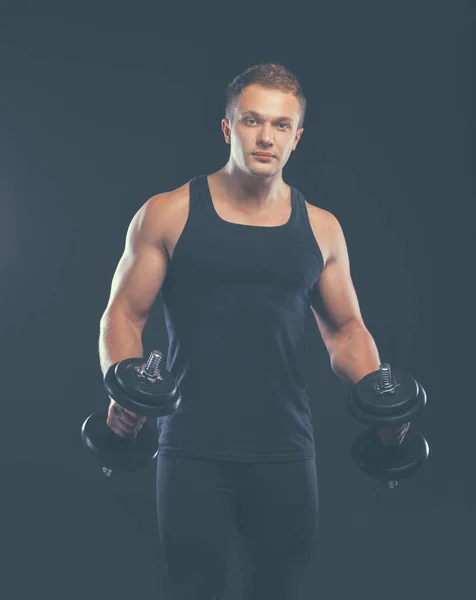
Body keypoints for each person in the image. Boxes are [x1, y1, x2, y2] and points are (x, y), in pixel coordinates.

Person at [98, 63, 409, 599]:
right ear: (227, 127)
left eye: (281, 125)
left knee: (278, 591)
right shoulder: (168, 213)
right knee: (195, 590)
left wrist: (381, 401)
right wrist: (124, 385)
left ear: (297, 137)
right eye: (252, 120)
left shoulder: (321, 227)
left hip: (286, 449)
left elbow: (346, 330)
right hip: (191, 447)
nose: (266, 137)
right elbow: (124, 313)